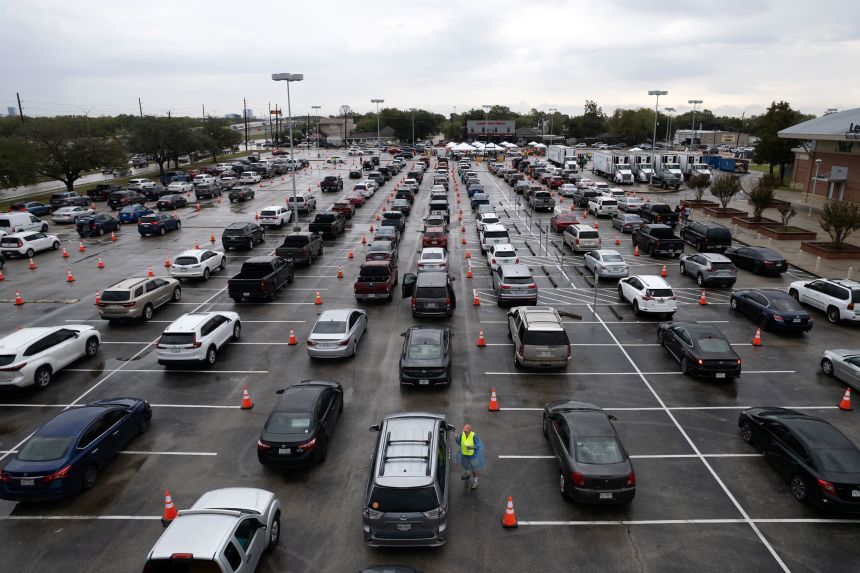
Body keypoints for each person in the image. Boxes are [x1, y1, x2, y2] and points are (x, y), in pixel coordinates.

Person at [455, 424, 485, 490]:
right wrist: (456, 439)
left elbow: (478, 446)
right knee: (466, 465)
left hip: (473, 456)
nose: (465, 432)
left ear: (470, 431)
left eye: (466, 431)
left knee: (474, 469)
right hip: (465, 454)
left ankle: (475, 482)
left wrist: (471, 447)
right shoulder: (462, 434)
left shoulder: (474, 436)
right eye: (464, 431)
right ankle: (467, 474)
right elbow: (460, 443)